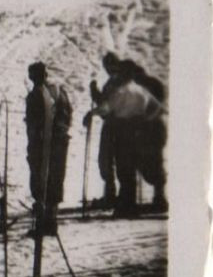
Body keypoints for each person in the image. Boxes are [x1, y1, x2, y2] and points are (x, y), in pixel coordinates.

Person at [87, 67, 166, 217]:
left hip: (123, 131)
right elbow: (157, 107)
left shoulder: (122, 91)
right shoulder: (141, 91)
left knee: (124, 170)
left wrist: (91, 113)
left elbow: (106, 108)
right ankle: (131, 205)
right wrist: (145, 119)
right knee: (133, 167)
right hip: (139, 132)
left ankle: (127, 206)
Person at [24, 63, 74, 237]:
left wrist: (33, 146)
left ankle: (42, 223)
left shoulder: (35, 95)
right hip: (59, 141)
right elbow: (68, 115)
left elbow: (32, 125)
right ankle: (51, 222)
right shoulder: (59, 91)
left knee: (41, 179)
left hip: (42, 144)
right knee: (55, 179)